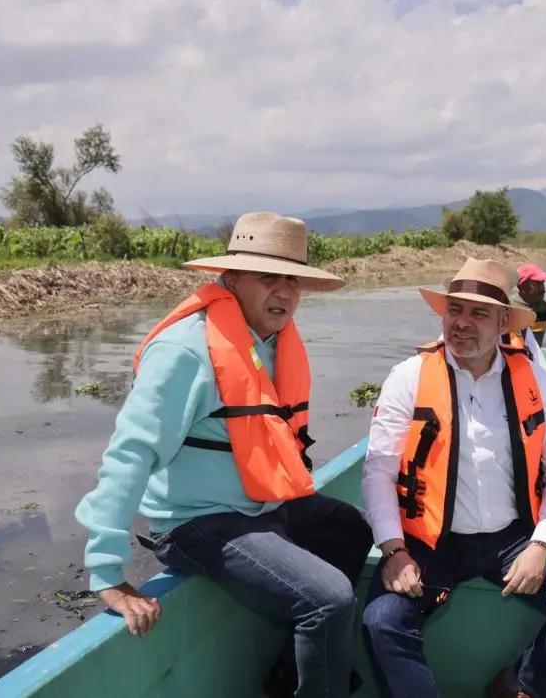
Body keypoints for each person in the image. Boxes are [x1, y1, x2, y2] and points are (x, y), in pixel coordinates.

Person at [74, 212, 373, 698]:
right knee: (330, 600)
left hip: (259, 506)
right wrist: (107, 573)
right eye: (267, 277)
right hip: (199, 521)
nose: (284, 292)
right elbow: (129, 454)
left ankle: (291, 677)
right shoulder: (186, 351)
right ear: (229, 279)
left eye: (292, 280)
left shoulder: (269, 341)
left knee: (350, 529)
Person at [360, 258, 546, 698]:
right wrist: (395, 549)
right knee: (381, 622)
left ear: (502, 322)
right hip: (431, 538)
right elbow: (378, 472)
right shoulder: (409, 377)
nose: (462, 324)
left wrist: (542, 544)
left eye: (478, 313)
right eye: (455, 310)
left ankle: (519, 685)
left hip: (513, 535)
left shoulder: (532, 376)